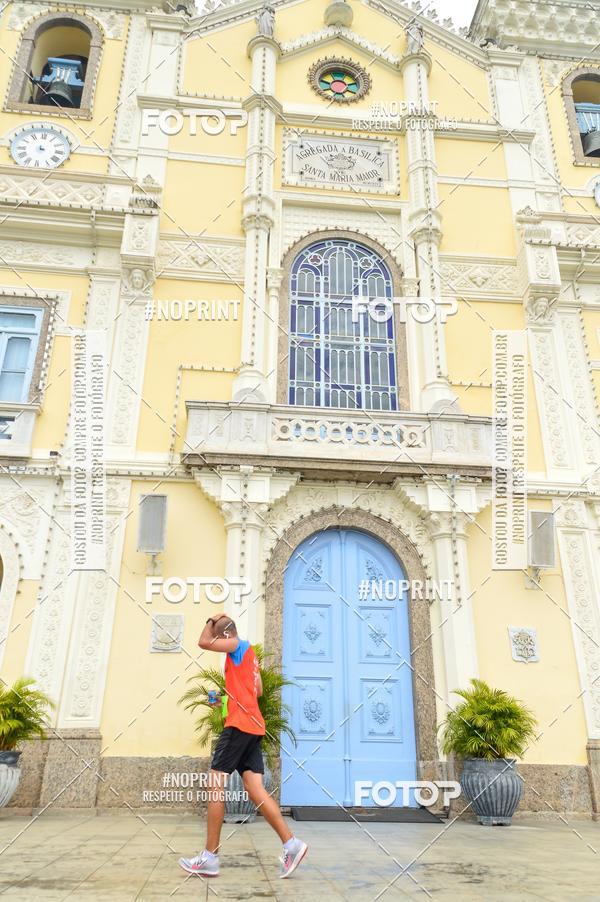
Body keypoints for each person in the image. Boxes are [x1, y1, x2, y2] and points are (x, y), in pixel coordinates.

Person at [179, 613, 307, 880]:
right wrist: (225, 699)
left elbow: (203, 642)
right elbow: (257, 691)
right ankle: (291, 844)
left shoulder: (237, 644)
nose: (216, 641)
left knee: (215, 785)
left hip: (238, 727)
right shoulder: (250, 657)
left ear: (226, 635)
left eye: (219, 636)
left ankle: (210, 857)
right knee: (254, 788)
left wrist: (211, 619)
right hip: (253, 726)